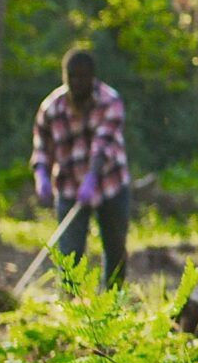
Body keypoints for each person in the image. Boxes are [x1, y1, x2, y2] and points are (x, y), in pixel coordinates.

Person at [30, 47, 130, 288]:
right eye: (72, 76)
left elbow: (103, 145)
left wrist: (92, 177)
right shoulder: (51, 108)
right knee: (70, 255)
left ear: (92, 76)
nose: (77, 82)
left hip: (109, 184)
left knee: (115, 247)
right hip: (68, 187)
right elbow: (41, 146)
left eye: (82, 77)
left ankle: (112, 302)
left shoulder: (110, 101)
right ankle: (73, 308)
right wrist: (41, 175)